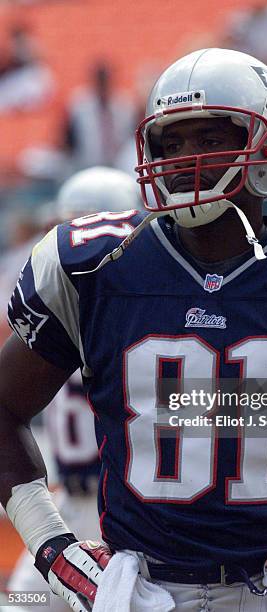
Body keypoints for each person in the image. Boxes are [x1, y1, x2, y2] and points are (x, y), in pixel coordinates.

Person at [0, 48, 267, 612]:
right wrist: (50, 544)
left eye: (212, 138)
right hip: (135, 588)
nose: (187, 158)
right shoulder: (96, 263)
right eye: (173, 142)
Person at [4, 167, 143, 612]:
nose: (58, 243)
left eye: (72, 227)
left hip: (122, 514)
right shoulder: (55, 313)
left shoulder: (128, 318)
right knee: (21, 601)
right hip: (70, 505)